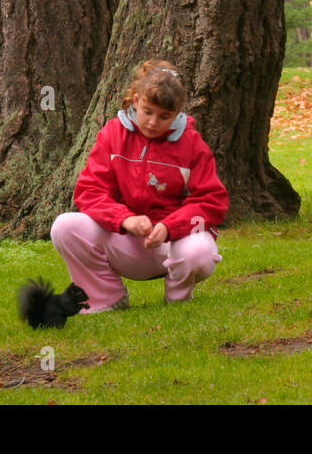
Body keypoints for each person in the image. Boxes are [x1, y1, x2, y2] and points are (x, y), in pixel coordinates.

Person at [49, 59, 229, 313]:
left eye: (164, 116)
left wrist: (170, 226)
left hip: (173, 243)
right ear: (135, 100)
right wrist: (125, 219)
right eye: (147, 111)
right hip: (125, 238)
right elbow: (90, 191)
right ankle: (105, 298)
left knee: (199, 252)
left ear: (178, 113)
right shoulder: (112, 134)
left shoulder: (191, 143)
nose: (153, 122)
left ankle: (177, 299)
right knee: (65, 226)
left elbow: (211, 201)